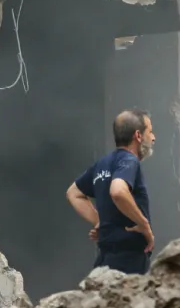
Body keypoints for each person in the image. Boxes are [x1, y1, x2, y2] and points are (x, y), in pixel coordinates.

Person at [64, 109, 156, 275]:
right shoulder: (129, 160)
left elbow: (73, 193)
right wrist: (144, 225)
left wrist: (101, 221)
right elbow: (118, 191)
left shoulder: (103, 163)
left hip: (105, 262)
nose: (153, 137)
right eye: (150, 131)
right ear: (138, 135)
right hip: (129, 263)